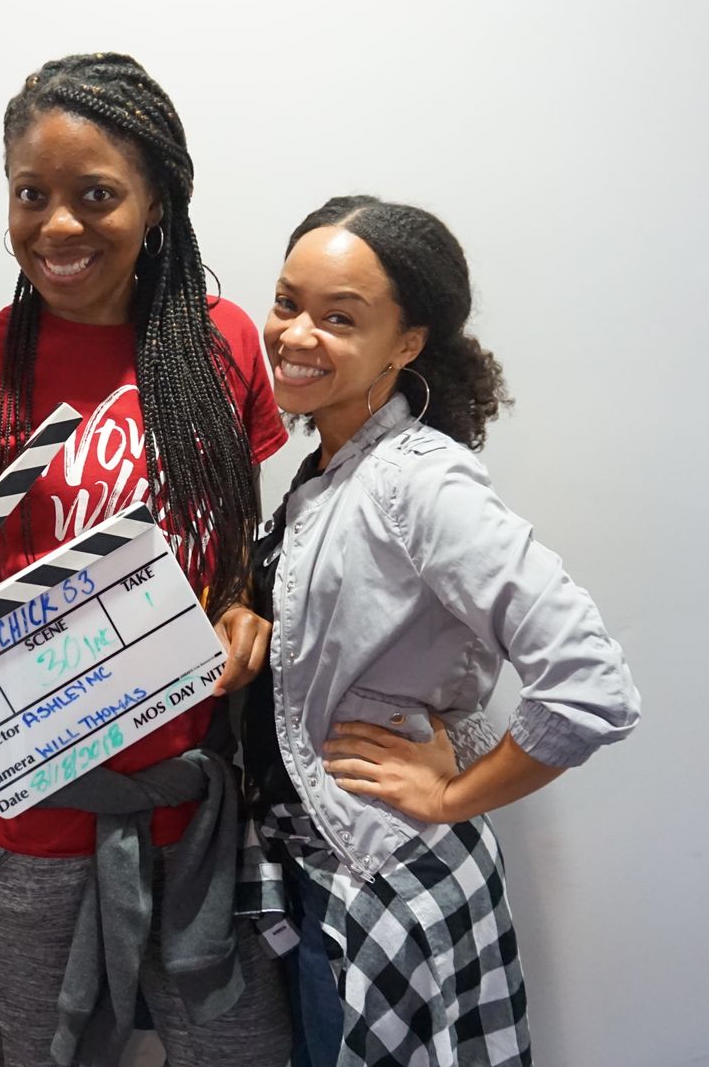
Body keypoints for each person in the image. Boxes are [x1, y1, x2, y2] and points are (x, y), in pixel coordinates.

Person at [0, 53, 294, 1067]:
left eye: (95, 195)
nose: (56, 225)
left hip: (189, 806)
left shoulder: (223, 343)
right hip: (20, 826)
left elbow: (232, 542)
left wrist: (239, 609)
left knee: (248, 1049)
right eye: (30, 194)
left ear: (157, 202)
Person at [243, 196, 642, 1067]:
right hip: (326, 873)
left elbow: (591, 685)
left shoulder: (417, 482)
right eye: (287, 303)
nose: (296, 334)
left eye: (339, 317)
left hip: (385, 887)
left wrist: (452, 796)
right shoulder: (328, 471)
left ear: (407, 343)